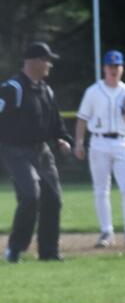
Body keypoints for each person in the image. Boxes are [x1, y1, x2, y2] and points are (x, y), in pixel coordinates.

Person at [0, 42, 72, 263]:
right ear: (34, 62)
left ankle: (49, 252)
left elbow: (56, 124)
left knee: (54, 198)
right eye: (46, 60)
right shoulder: (12, 89)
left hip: (42, 151)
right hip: (16, 151)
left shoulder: (46, 91)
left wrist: (63, 139)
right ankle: (15, 249)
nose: (49, 64)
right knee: (31, 196)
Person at [74, 50, 125, 249]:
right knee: (101, 190)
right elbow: (82, 118)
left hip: (122, 142)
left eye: (117, 66)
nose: (113, 70)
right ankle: (106, 232)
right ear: (104, 68)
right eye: (110, 66)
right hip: (98, 142)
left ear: (122, 68)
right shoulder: (93, 91)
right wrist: (79, 142)